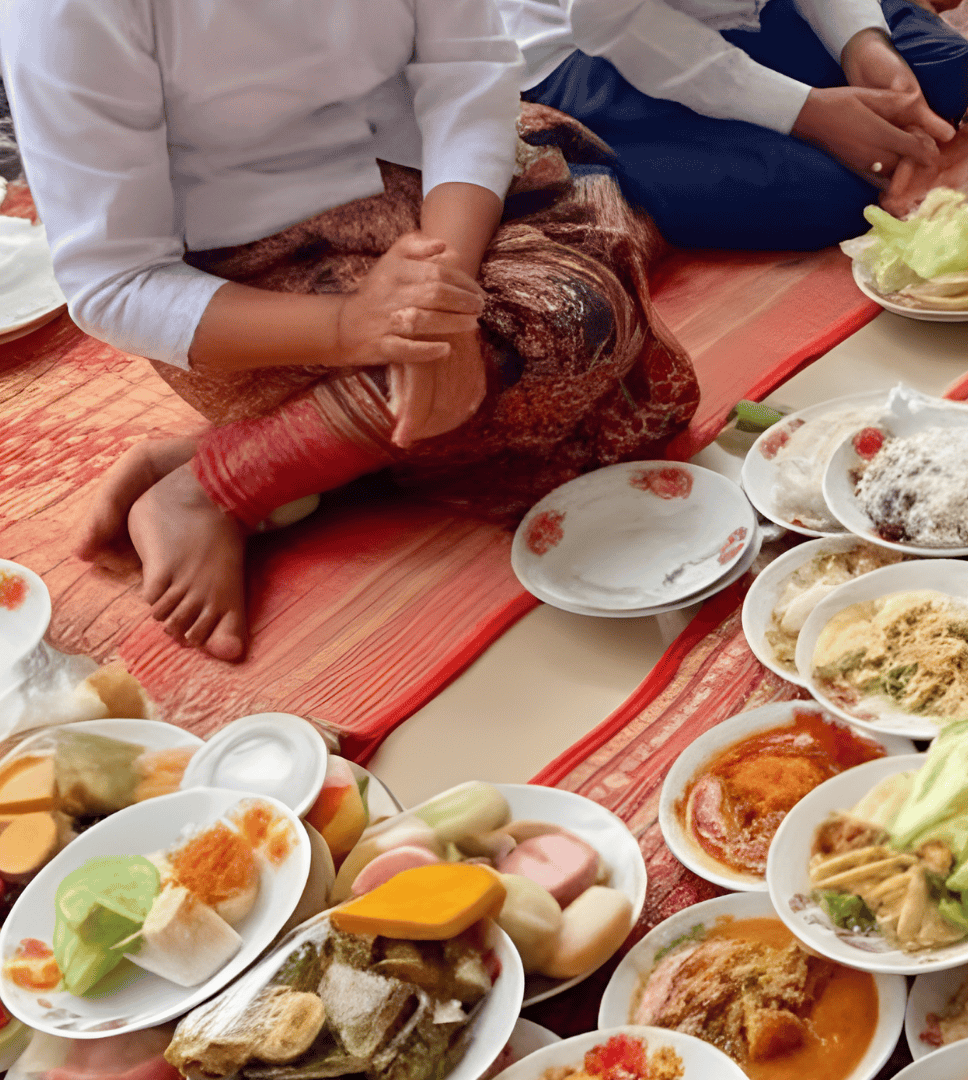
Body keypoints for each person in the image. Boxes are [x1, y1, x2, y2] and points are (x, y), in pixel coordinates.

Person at [2, 0, 700, 662]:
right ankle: (225, 482)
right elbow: (114, 281)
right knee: (564, 336)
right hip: (259, 286)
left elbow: (469, 76)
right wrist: (351, 327)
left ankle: (241, 458)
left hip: (439, 201)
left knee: (586, 297)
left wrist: (437, 293)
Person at [499, 0, 968, 250]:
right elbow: (621, 24)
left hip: (743, 14)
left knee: (944, 70)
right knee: (824, 197)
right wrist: (806, 113)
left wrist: (863, 45)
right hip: (594, 48)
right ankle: (583, 159)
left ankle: (837, 122)